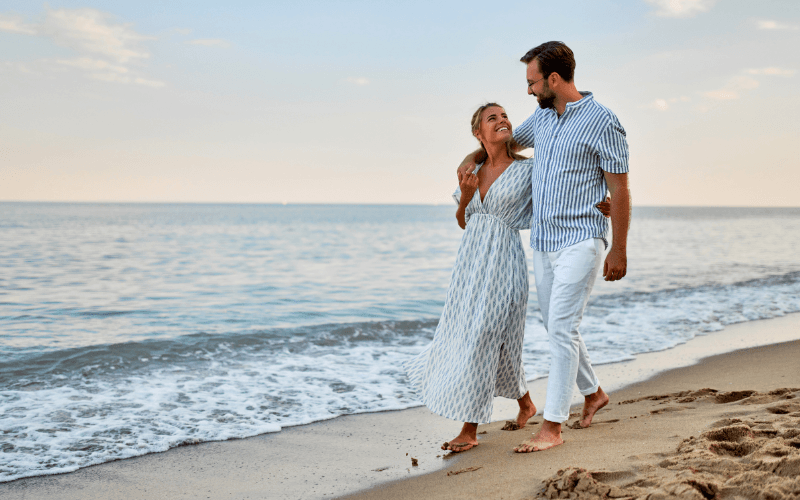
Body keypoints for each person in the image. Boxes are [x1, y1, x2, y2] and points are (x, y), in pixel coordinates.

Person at [406, 103, 611, 453]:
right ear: (478, 133)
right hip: (469, 264)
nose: (502, 121)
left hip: (505, 263)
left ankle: (469, 428)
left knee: (484, 335)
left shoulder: (529, 169)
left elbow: (561, 190)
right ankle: (527, 404)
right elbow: (463, 220)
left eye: (504, 116)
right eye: (492, 118)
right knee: (493, 339)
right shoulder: (472, 170)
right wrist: (467, 196)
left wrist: (600, 201)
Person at [457, 41, 631, 453]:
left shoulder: (603, 122)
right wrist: (468, 168)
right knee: (557, 327)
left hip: (582, 239)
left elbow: (620, 189)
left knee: (562, 330)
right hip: (543, 242)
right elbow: (501, 145)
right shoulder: (542, 119)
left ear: (553, 79)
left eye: (533, 82)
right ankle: (594, 394)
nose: (529, 91)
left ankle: (552, 425)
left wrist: (618, 247)